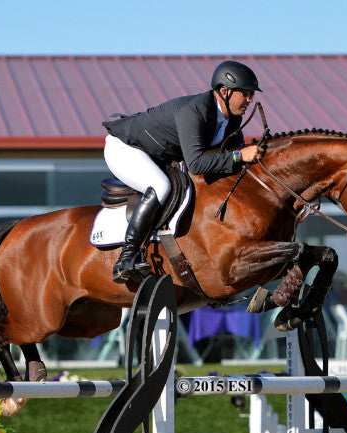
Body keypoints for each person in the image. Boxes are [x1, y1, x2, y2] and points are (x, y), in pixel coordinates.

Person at [102, 61, 265, 284]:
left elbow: (231, 160)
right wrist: (240, 156)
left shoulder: (232, 118)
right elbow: (198, 164)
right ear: (225, 92)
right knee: (161, 186)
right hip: (126, 147)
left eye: (251, 94)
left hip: (157, 155)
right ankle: (127, 258)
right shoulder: (195, 110)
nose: (250, 99)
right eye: (246, 93)